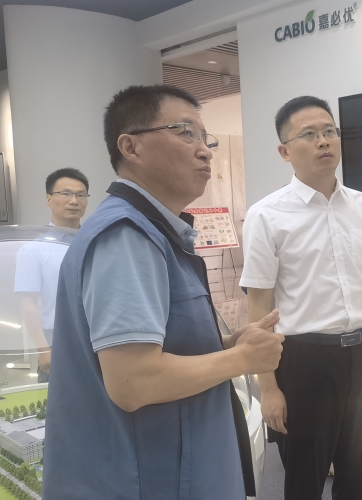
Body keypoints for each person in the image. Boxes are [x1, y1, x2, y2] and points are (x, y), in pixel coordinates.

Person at [42, 85, 285, 500]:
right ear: (130, 147)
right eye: (185, 132)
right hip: (149, 479)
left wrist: (226, 344)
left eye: (205, 138)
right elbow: (133, 381)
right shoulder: (127, 236)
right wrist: (241, 359)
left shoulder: (154, 232)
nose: (205, 151)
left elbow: (161, 345)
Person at [241, 95, 362, 500]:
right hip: (303, 361)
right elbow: (258, 306)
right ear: (285, 151)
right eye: (309, 134)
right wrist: (268, 387)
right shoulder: (266, 215)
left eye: (330, 131)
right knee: (304, 479)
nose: (324, 141)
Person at [14, 168, 89, 382]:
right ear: (49, 199)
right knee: (56, 399)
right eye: (65, 193)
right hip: (56, 339)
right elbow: (28, 302)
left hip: (97, 337)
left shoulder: (96, 243)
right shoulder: (34, 249)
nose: (74, 201)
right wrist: (43, 349)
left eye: (81, 195)